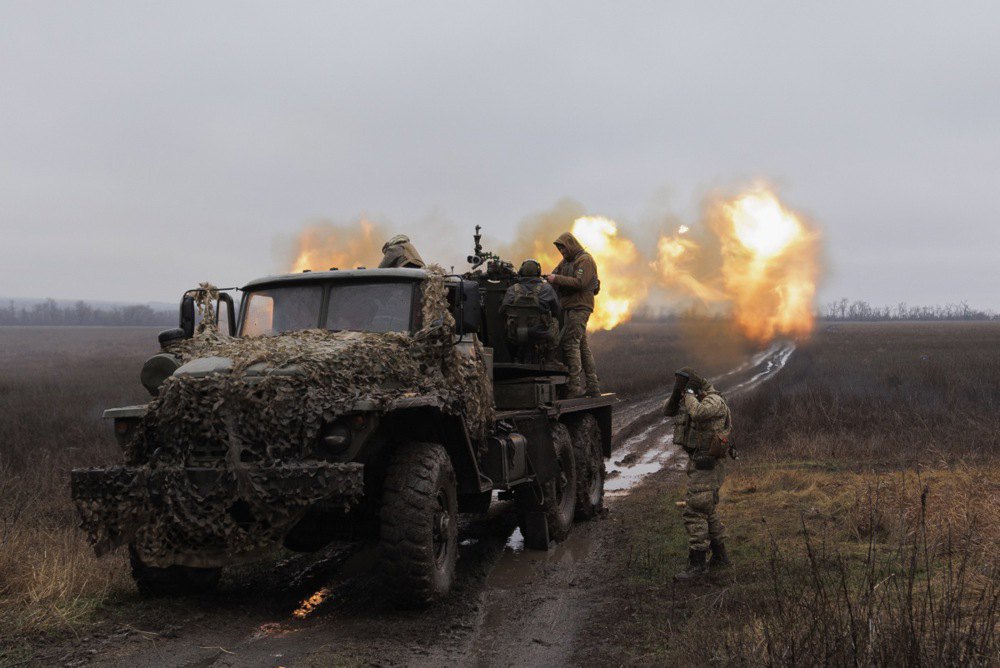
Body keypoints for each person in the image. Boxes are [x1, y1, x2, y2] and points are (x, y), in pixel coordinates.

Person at [662, 367, 733, 581]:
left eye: (687, 386)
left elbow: (699, 413)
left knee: (695, 510)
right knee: (707, 509)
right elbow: (667, 410)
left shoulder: (714, 401)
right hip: (698, 461)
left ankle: (698, 564)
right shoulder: (693, 399)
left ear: (697, 386)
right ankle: (720, 556)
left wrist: (690, 394)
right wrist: (677, 393)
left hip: (709, 464)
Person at [546, 232, 600, 397]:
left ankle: (575, 386)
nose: (562, 252)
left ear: (570, 245)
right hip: (570, 308)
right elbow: (553, 275)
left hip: (580, 307)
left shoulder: (585, 260)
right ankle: (593, 386)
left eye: (563, 248)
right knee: (582, 346)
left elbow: (580, 283)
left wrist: (556, 279)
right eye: (560, 250)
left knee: (571, 343)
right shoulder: (566, 262)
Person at [500, 259, 561, 363]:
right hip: (540, 332)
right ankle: (551, 359)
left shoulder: (512, 289)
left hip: (515, 332)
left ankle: (514, 357)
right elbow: (557, 310)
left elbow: (502, 311)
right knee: (555, 322)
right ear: (538, 272)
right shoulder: (546, 289)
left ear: (521, 271)